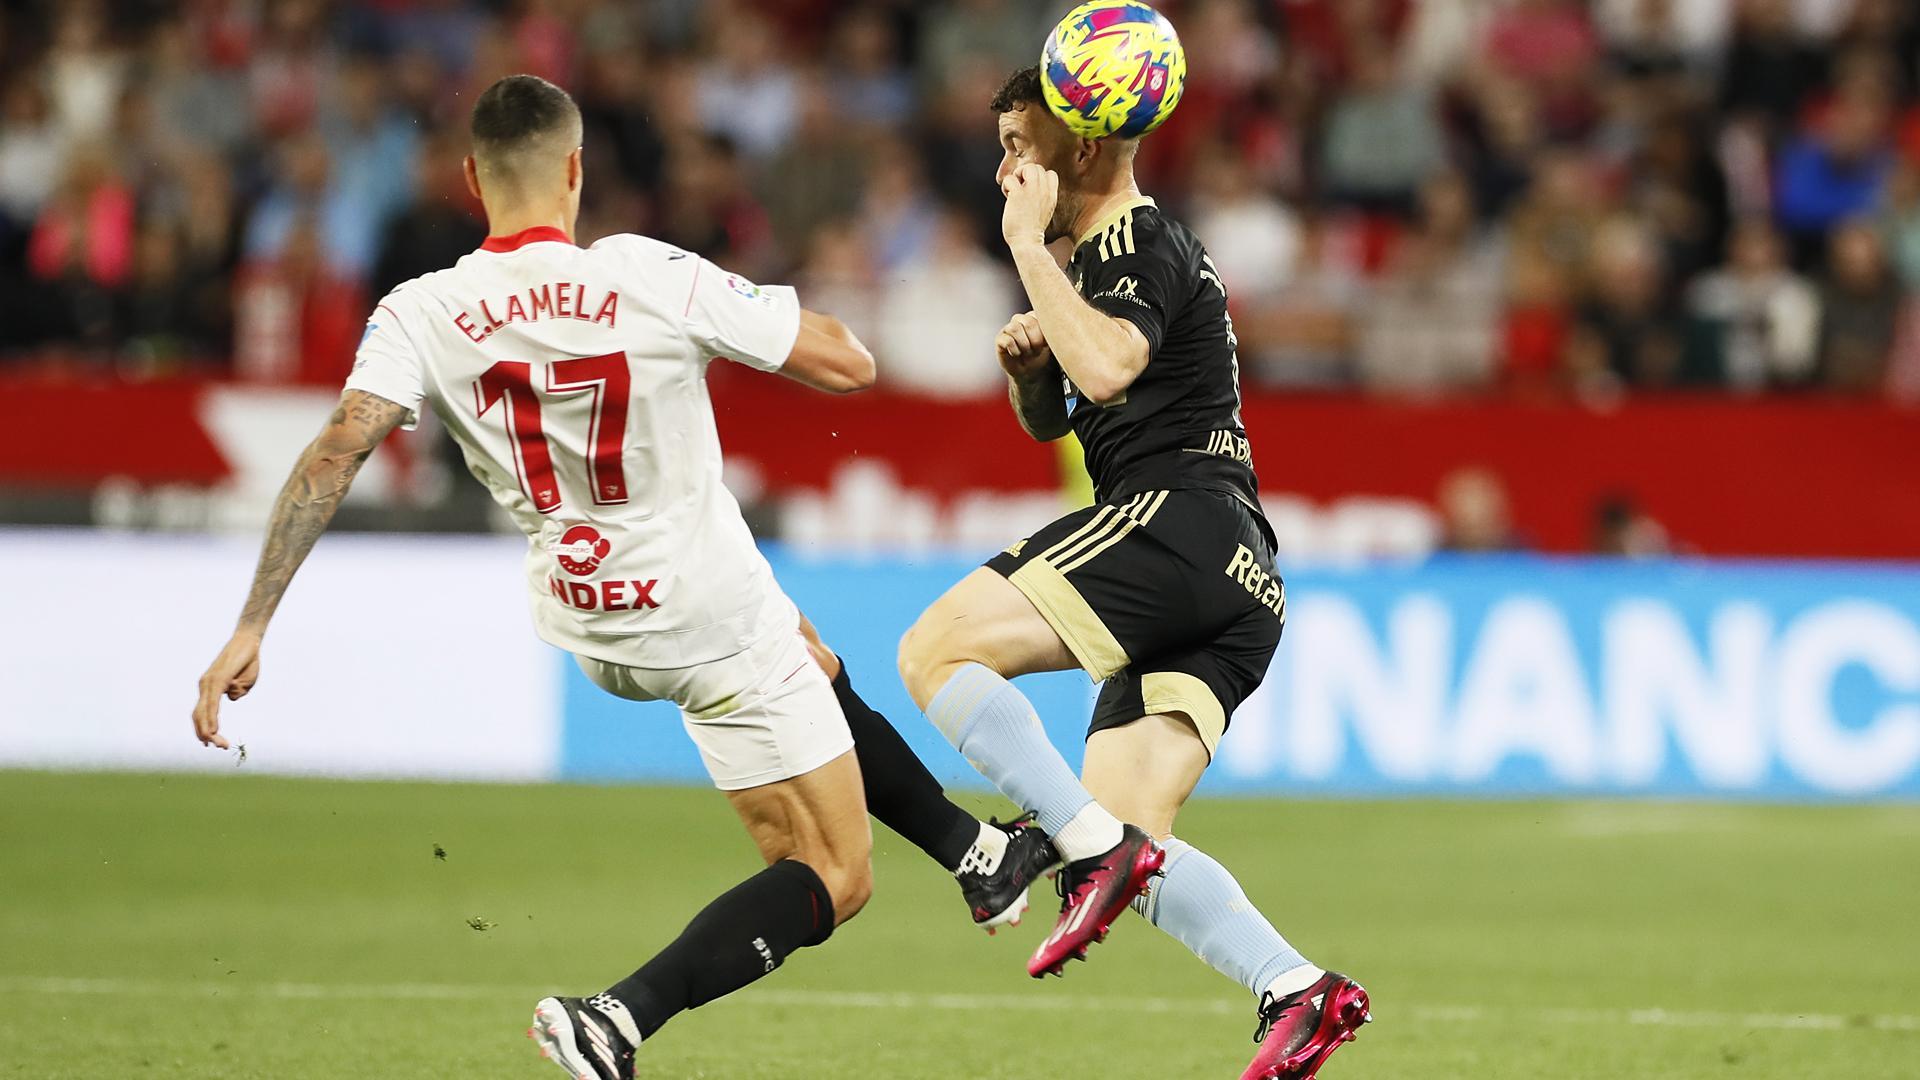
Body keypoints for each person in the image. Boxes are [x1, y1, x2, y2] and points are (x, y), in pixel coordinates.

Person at [189, 75, 1051, 1080]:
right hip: (702, 609)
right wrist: (737, 307)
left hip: (588, 620)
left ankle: (978, 856)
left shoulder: (420, 310)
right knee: (832, 872)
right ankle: (614, 1019)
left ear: (471, 177)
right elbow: (848, 362)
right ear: (575, 169)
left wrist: (252, 624)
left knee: (807, 655)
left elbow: (337, 451)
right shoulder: (643, 271)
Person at [893, 67, 1371, 1080]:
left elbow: (1109, 367)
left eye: (1019, 147)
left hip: (1177, 521)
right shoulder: (1105, 268)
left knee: (934, 651)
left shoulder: (1133, 240)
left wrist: (1026, 249)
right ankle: (1300, 989)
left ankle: (1074, 843)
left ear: (1084, 146)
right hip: (1241, 578)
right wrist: (1034, 382)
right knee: (1123, 834)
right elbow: (1076, 405)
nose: (1005, 173)